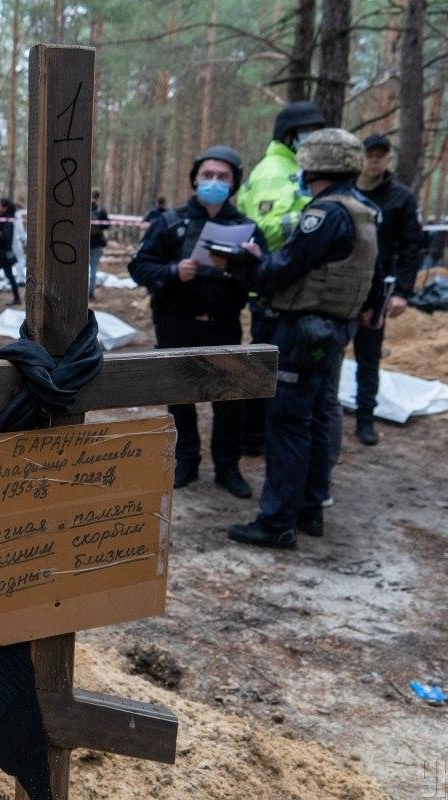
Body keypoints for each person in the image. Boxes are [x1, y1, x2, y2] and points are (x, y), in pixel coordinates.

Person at [228, 128, 381, 550]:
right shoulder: (363, 208)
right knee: (315, 419)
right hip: (333, 329)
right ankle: (311, 506)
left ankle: (277, 520)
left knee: (289, 424)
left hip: (302, 329)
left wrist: (253, 264)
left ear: (313, 164)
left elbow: (285, 269)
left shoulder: (324, 214)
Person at [129, 145, 268, 499]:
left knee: (228, 397)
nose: (214, 182)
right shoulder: (170, 222)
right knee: (180, 396)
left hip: (224, 323)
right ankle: (186, 461)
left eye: (223, 176)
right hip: (177, 322)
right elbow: (139, 266)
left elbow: (263, 281)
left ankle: (227, 467)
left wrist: (245, 265)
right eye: (207, 175)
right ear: (195, 178)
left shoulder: (247, 229)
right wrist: (174, 271)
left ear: (234, 182)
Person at [236, 101, 327, 457]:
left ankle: (258, 435)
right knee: (268, 367)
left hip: (286, 282)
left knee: (277, 367)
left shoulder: (294, 167)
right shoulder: (276, 170)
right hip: (272, 285)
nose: (313, 138)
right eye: (308, 132)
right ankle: (255, 437)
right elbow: (267, 228)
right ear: (290, 134)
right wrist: (314, 219)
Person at [351, 134, 424, 445]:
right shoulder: (346, 191)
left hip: (378, 288)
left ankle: (365, 417)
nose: (375, 161)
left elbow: (412, 246)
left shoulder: (401, 198)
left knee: (368, 355)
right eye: (370, 155)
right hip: (341, 284)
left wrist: (402, 292)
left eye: (381, 155)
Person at [89, 190, 111, 300]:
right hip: (97, 243)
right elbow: (107, 226)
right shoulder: (101, 210)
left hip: (85, 243)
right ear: (98, 197)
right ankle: (90, 291)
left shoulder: (84, 208)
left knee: (82, 269)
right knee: (93, 269)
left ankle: (82, 291)